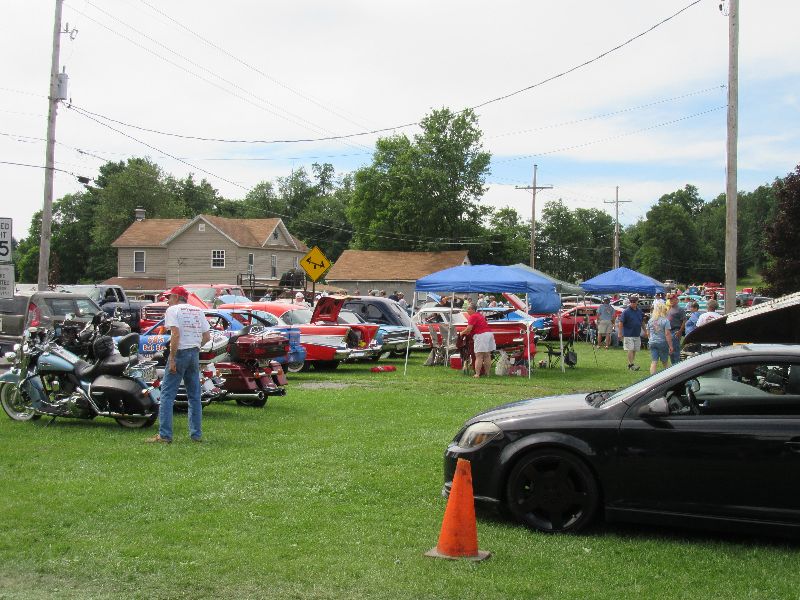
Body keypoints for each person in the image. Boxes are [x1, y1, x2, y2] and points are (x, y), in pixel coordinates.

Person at [147, 286, 211, 444]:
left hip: (180, 353)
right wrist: (195, 346)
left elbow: (175, 334)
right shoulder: (198, 311)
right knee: (194, 396)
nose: (167, 301)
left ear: (176, 297)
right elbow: (207, 336)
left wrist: (173, 358)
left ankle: (165, 435)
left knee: (167, 395)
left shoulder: (173, 310)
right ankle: (196, 435)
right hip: (194, 353)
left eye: (169, 298)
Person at [459, 302, 495, 378]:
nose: (467, 311)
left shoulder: (473, 316)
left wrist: (461, 333)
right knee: (487, 355)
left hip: (481, 335)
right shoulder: (480, 315)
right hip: (489, 334)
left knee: (479, 355)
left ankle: (477, 374)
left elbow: (469, 329)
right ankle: (487, 373)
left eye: (468, 309)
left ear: (473, 310)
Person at [617, 295, 645, 371]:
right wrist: (620, 333)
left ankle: (631, 364)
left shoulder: (639, 311)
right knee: (630, 349)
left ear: (637, 302)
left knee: (634, 350)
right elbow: (621, 323)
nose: (632, 303)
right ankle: (631, 365)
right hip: (628, 334)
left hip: (636, 334)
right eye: (631, 302)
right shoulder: (626, 312)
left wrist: (645, 331)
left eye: (634, 302)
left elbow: (642, 322)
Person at [646, 302, 673, 374]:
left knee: (654, 361)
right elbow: (667, 334)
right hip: (662, 342)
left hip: (652, 342)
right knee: (665, 362)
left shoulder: (650, 320)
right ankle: (669, 376)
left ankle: (652, 378)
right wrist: (670, 346)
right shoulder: (665, 320)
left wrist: (650, 339)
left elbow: (648, 332)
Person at [666, 293, 687, 365]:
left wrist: (680, 331)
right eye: (670, 299)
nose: (671, 300)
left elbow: (684, 320)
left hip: (675, 331)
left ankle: (677, 366)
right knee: (671, 351)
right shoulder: (670, 308)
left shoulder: (680, 309)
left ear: (677, 300)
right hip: (669, 331)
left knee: (676, 350)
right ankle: (673, 365)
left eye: (672, 299)